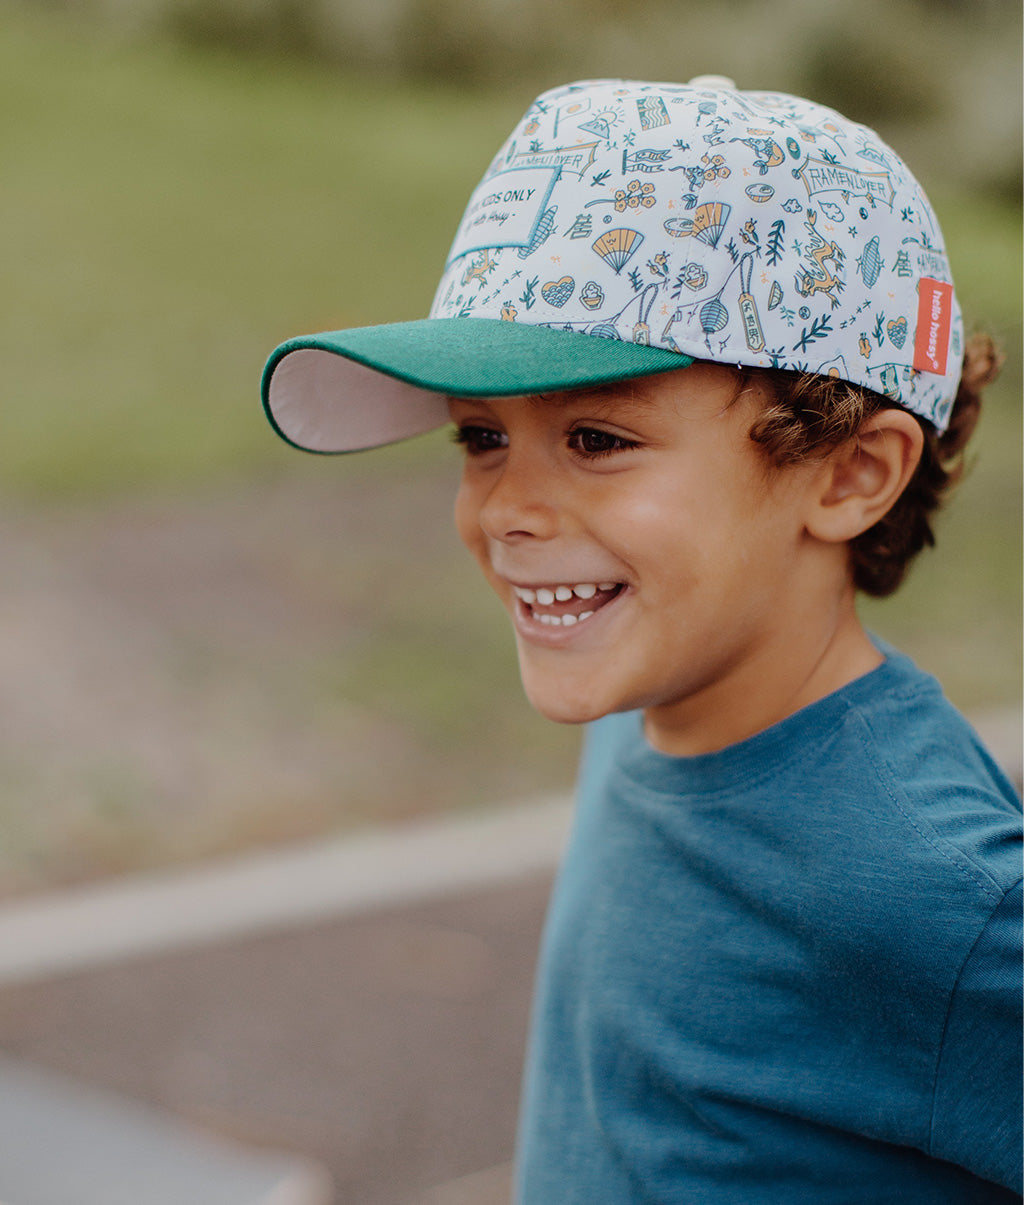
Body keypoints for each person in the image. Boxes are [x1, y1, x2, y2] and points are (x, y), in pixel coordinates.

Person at [261, 78, 1022, 1202]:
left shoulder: (939, 899)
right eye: (480, 436)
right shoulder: (642, 715)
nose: (506, 507)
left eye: (596, 436)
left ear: (852, 471)